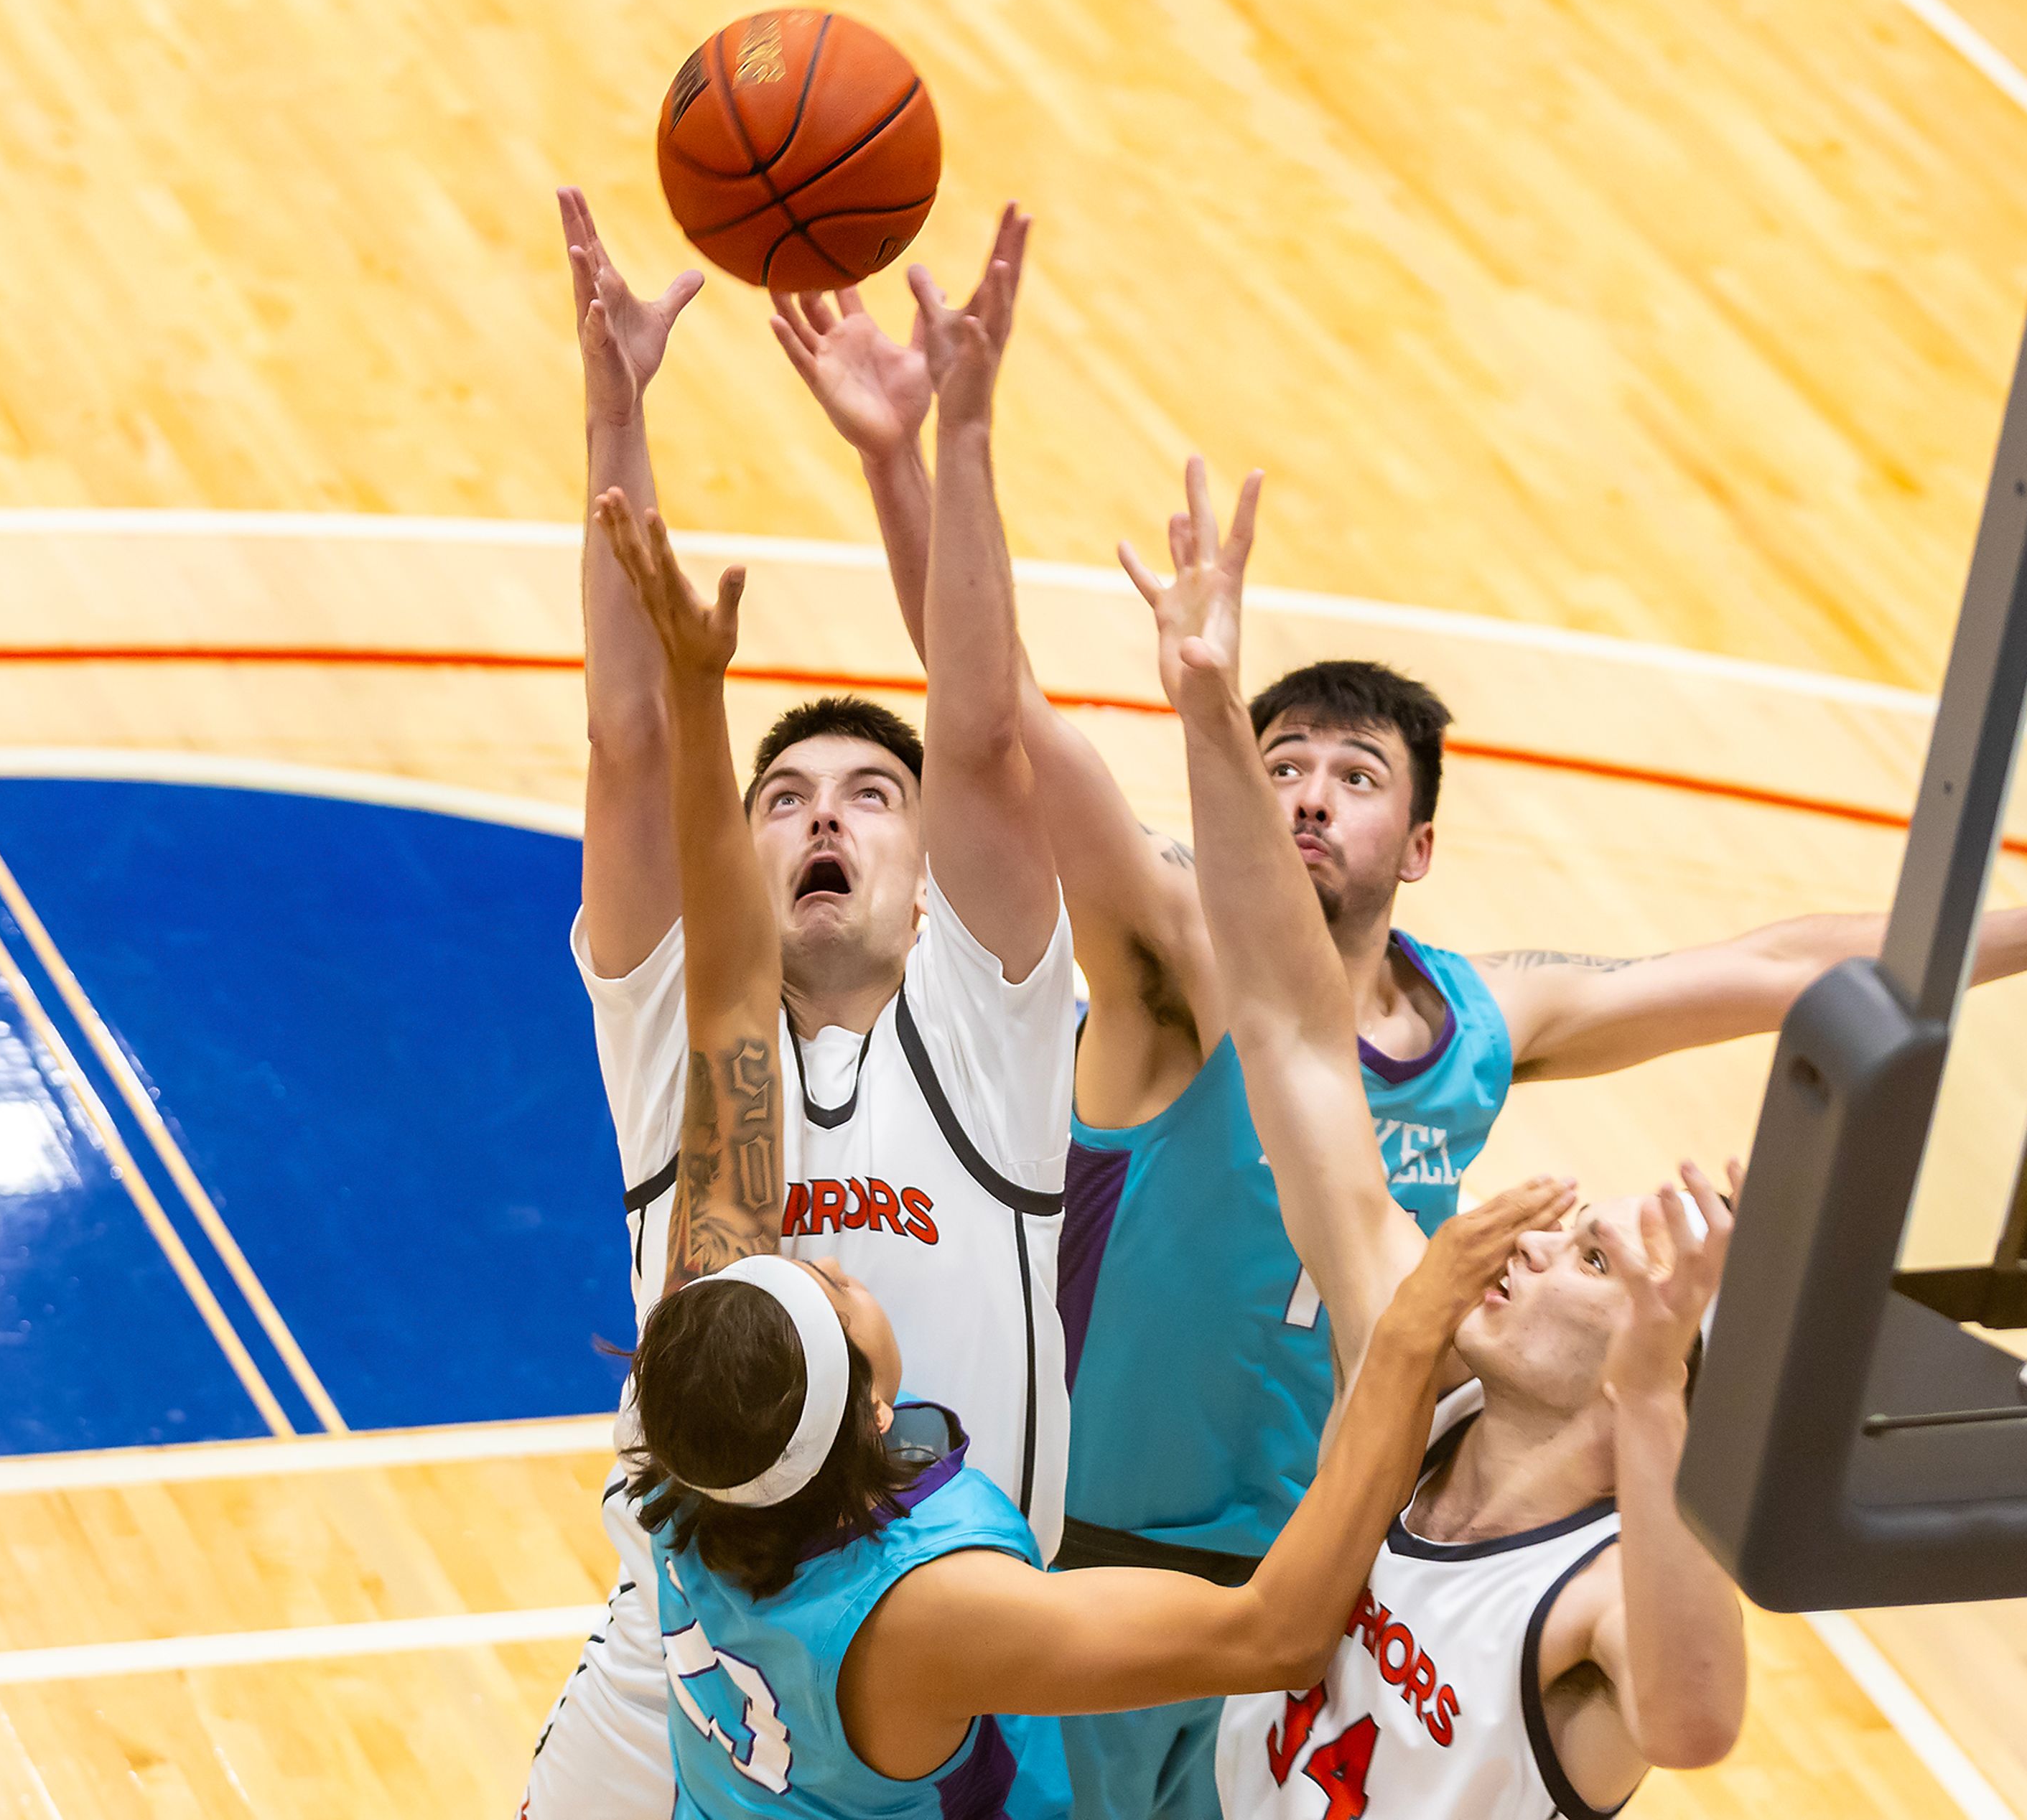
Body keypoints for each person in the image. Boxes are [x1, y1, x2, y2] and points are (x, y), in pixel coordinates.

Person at [769, 256, 2027, 1817]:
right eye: (1282, 765)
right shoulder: (1195, 955)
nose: (1308, 796)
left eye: (1352, 774)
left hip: (1332, 1538)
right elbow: (1004, 727)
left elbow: (1783, 961)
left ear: (1418, 845)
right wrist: (906, 467)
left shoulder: (1485, 1019)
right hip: (1099, 1534)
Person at [600, 493, 1578, 1817]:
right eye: (829, 1295)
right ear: (871, 1410)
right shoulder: (930, 1601)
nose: (821, 1266)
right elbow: (1273, 1634)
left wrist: (700, 695)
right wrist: (1410, 1330)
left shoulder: (705, 1510)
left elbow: (726, 987)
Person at [528, 193, 1080, 1819]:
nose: (827, 816)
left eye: (867, 796)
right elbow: (633, 749)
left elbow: (983, 737)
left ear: (930, 872)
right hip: (682, 1659)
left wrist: (942, 439)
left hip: (940, 1677)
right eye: (781, 798)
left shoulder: (993, 1022)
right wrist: (614, 409)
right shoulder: (680, 1044)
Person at [1127, 501, 1748, 1814]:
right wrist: (1202, 705)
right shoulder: (1406, 1389)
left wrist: (1654, 1406)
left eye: (1588, 1254)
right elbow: (1296, 1035)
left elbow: (1695, 1725)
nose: (1525, 1241)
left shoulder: (1599, 1592)